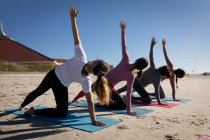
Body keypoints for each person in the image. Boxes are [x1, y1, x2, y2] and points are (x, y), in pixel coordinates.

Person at [19, 4, 110, 126]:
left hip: (56, 79)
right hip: (55, 78)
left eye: (96, 60)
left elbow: (90, 101)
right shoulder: (83, 66)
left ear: (94, 64)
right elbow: (76, 36)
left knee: (46, 99)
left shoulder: (83, 64)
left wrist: (73, 19)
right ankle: (26, 107)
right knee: (45, 98)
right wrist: (73, 19)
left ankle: (27, 108)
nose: (93, 59)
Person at [71, 21, 148, 116]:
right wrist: (129, 110)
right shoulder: (131, 76)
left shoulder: (126, 59)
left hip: (102, 82)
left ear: (136, 60)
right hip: (107, 87)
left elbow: (124, 45)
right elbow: (128, 95)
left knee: (89, 88)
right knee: (122, 106)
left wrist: (123, 30)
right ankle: (105, 103)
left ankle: (76, 99)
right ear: (141, 68)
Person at [117, 37, 172, 104]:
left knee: (123, 89)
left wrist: (152, 45)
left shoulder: (153, 67)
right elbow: (157, 92)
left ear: (160, 68)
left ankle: (113, 95)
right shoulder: (158, 79)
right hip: (139, 85)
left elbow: (151, 55)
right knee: (146, 99)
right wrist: (159, 102)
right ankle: (129, 97)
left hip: (135, 81)